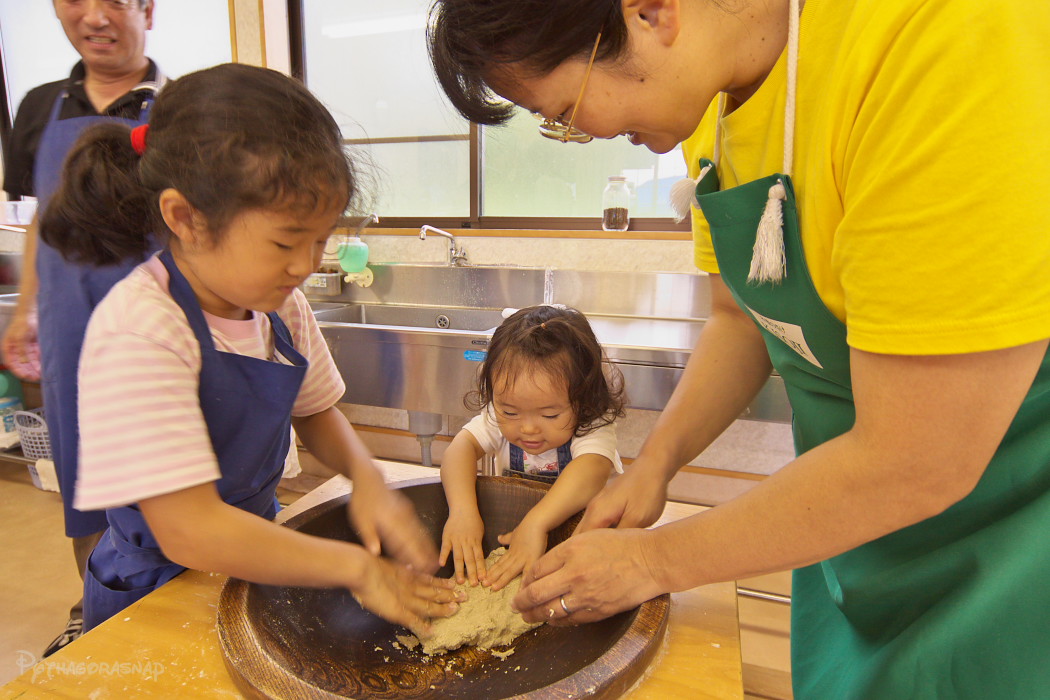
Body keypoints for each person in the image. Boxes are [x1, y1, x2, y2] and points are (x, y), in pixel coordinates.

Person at [426, 0, 1050, 697]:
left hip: (1009, 540)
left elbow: (919, 458)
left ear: (649, 12)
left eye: (565, 114)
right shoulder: (710, 101)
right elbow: (740, 316)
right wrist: (653, 466)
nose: (587, 134)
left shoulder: (941, 37)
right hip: (847, 522)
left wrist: (655, 561)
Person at [40, 62, 463, 632]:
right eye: (287, 240)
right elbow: (189, 528)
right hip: (156, 591)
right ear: (185, 218)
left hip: (258, 553)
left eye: (322, 239)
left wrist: (367, 480)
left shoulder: (279, 302)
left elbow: (315, 412)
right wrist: (358, 569)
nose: (307, 264)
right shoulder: (141, 330)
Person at [1, 0, 164, 656]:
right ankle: (95, 610)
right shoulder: (40, 107)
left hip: (155, 330)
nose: (94, 15)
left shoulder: (179, 107)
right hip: (70, 329)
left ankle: (165, 605)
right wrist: (26, 310)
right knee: (82, 481)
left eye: (115, 0)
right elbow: (43, 218)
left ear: (147, 8)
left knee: (159, 476)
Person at [439, 305, 625, 589]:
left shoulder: (592, 424)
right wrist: (462, 511)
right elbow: (460, 450)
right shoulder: (496, 415)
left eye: (550, 415)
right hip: (524, 535)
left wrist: (536, 523)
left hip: (591, 537)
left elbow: (592, 470)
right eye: (510, 413)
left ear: (584, 400)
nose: (527, 428)